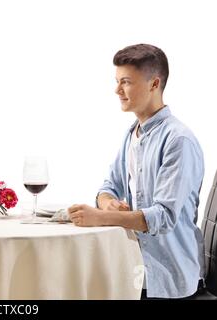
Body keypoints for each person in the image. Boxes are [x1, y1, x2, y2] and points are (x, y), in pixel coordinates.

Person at [68, 44, 205, 299]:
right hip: (134, 270)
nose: (117, 90)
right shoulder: (133, 133)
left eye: (126, 82)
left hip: (168, 280)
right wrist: (107, 203)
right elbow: (109, 185)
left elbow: (162, 217)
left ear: (154, 84)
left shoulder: (178, 140)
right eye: (117, 81)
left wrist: (100, 217)